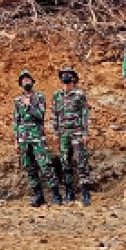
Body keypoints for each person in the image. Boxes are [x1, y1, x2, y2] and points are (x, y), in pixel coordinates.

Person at [12, 70, 64, 206]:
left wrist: (29, 105)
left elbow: (40, 115)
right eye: (23, 81)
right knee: (29, 167)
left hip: (37, 138)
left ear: (32, 82)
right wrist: (16, 141)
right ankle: (38, 195)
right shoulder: (17, 100)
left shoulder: (39, 97)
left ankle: (56, 195)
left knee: (45, 166)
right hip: (23, 139)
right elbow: (16, 121)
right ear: (20, 84)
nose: (26, 82)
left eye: (28, 80)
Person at [51, 66, 91, 206]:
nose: (66, 77)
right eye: (63, 75)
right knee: (65, 163)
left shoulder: (80, 95)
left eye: (68, 75)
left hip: (77, 132)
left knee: (81, 161)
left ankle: (86, 192)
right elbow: (54, 114)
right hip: (63, 134)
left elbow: (85, 115)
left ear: (73, 78)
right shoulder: (57, 95)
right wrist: (55, 132)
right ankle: (69, 192)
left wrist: (85, 133)